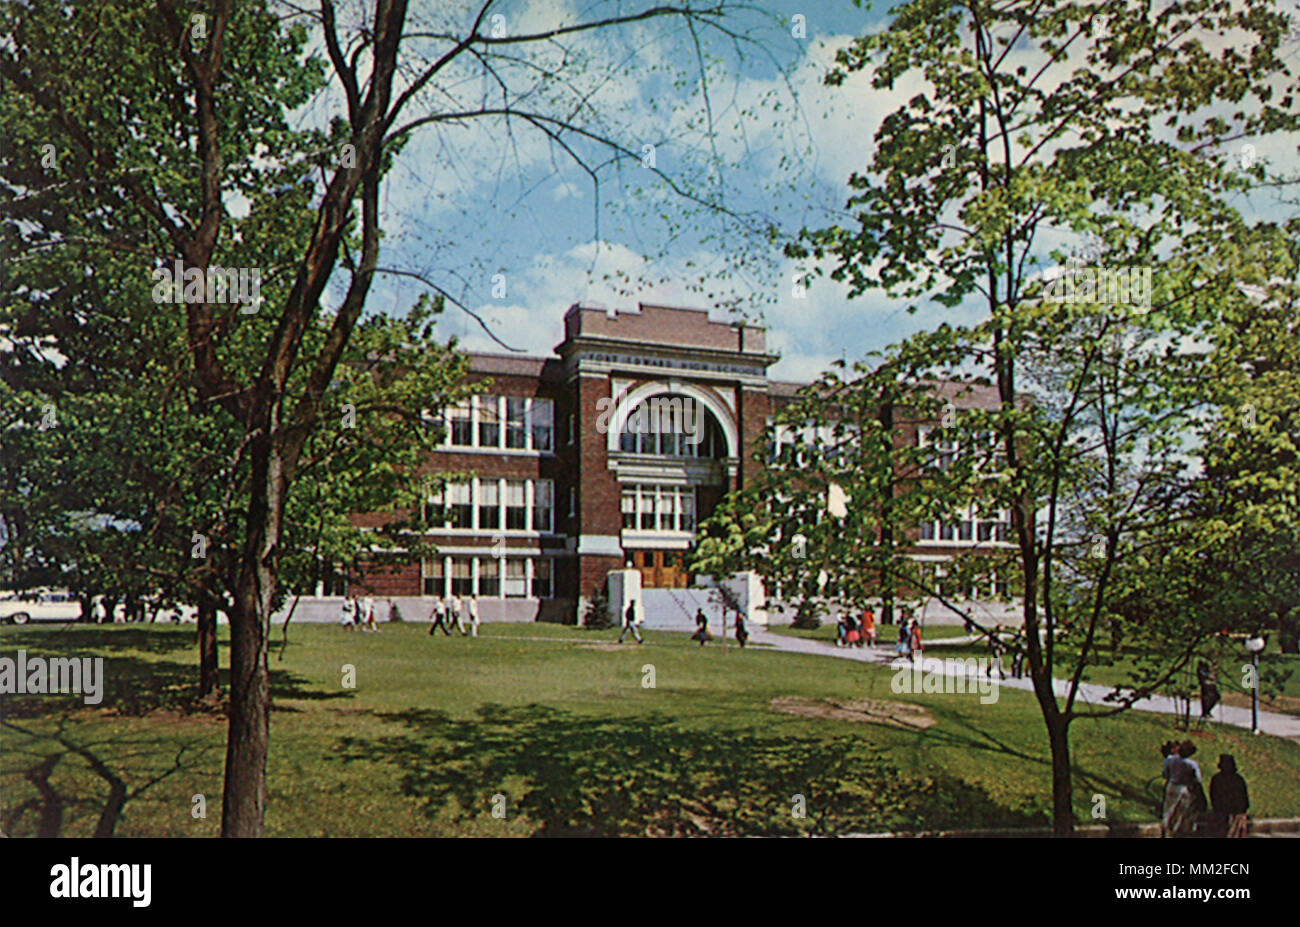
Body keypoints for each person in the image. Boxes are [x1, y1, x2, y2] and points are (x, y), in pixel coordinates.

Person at [1161, 741, 1205, 837]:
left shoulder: (1170, 760)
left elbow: (1165, 774)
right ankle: (1175, 830)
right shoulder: (1192, 764)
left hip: (1172, 785)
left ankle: (1164, 829)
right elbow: (1197, 780)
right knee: (1181, 812)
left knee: (1168, 810)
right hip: (1185, 788)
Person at [1209, 754, 1249, 838]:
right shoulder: (1238, 779)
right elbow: (1243, 796)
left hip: (1223, 811)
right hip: (1233, 811)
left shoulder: (1216, 779)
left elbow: (1213, 795)